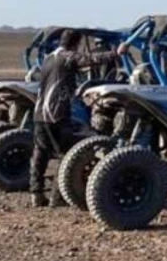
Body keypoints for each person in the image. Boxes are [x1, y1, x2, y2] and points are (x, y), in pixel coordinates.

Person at [29, 30, 129, 207]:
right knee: (67, 155)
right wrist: (116, 53)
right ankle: (57, 197)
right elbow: (89, 59)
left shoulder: (49, 58)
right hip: (56, 113)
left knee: (41, 153)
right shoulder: (67, 57)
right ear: (76, 43)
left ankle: (36, 193)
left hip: (39, 113)